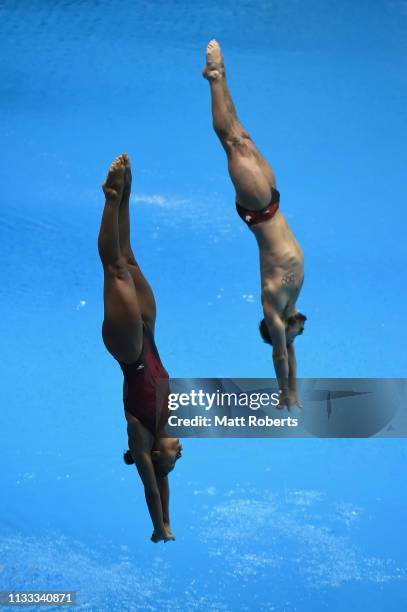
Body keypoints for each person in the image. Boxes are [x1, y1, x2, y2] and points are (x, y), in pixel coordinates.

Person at [203, 40, 306, 410]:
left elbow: (280, 356)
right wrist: (296, 387)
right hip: (273, 200)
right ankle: (220, 76)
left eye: (292, 336)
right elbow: (291, 353)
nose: (299, 335)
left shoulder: (273, 307)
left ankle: (214, 77)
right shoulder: (292, 301)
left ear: (277, 331)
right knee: (242, 134)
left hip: (258, 211)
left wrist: (285, 394)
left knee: (231, 142)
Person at [98, 153, 182, 543]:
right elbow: (164, 485)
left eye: (173, 460)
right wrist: (169, 524)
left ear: (154, 458)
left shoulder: (141, 435)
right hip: (148, 335)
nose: (180, 454)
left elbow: (152, 487)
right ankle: (127, 194)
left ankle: (110, 198)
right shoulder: (167, 426)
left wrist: (156, 527)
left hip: (129, 351)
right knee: (129, 259)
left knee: (114, 267)